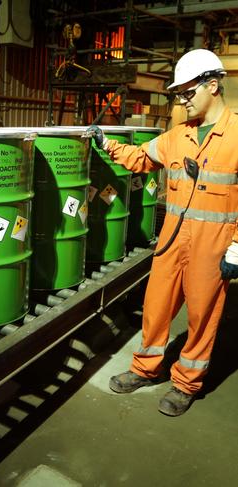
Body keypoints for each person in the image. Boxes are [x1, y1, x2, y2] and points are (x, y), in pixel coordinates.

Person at [89, 48, 238, 416]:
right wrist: (108, 144)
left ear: (213, 85)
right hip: (172, 241)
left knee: (202, 317)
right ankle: (144, 369)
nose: (182, 101)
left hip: (212, 247)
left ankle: (186, 384)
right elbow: (141, 158)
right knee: (156, 309)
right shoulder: (177, 136)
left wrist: (237, 249)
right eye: (179, 95)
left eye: (187, 93)